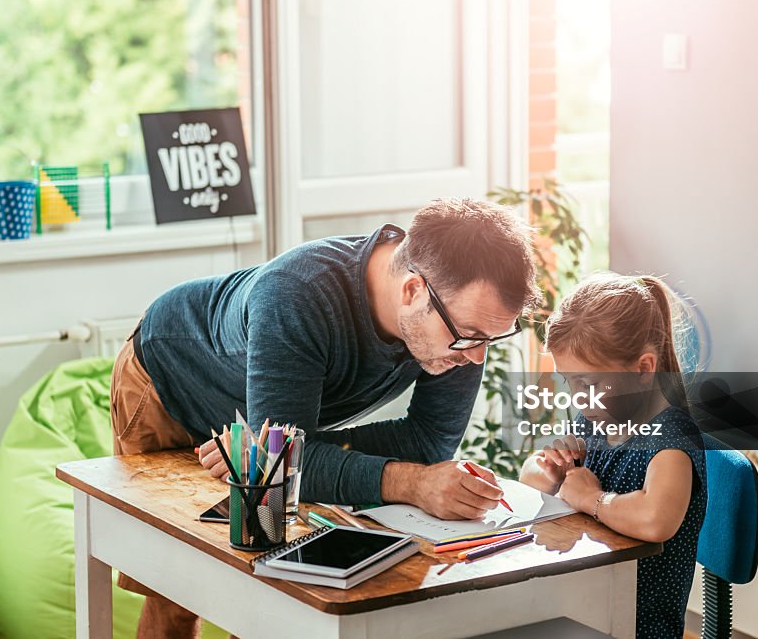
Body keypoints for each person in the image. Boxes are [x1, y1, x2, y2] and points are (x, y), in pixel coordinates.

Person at [110, 197, 540, 638]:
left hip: (265, 419)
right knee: (177, 586)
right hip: (172, 379)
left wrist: (271, 453)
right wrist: (409, 482)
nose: (476, 356)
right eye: (469, 337)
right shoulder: (297, 294)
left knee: (269, 584)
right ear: (412, 291)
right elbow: (283, 465)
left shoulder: (460, 322)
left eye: (491, 338)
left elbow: (428, 442)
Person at [519, 273, 706, 639]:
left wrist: (591, 498)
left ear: (643, 369)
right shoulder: (596, 419)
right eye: (568, 382)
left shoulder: (671, 440)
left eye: (588, 384)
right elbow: (527, 478)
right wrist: (551, 472)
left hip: (634, 625)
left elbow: (655, 520)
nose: (577, 397)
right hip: (585, 608)